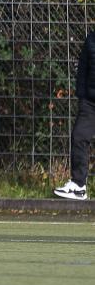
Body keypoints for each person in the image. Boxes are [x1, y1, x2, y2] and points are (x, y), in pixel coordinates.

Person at [54, 29, 95, 201]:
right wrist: (82, 97)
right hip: (90, 102)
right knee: (79, 136)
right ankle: (79, 186)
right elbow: (82, 70)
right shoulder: (91, 39)